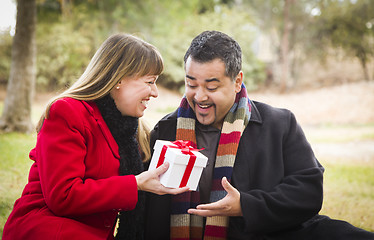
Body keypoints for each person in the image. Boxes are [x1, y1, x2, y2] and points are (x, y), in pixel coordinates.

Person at [144, 30, 374, 240]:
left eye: (211, 87)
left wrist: (245, 205)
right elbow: (147, 210)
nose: (200, 96)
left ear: (237, 82)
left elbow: (309, 192)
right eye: (191, 84)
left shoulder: (279, 124)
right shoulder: (166, 130)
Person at [2, 33, 189, 240]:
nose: (155, 92)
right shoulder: (67, 112)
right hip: (48, 229)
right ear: (119, 78)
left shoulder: (132, 129)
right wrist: (134, 183)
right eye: (150, 82)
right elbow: (63, 196)